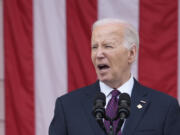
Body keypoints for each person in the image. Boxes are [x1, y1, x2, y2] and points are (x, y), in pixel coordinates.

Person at [49, 18, 180, 135]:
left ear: (131, 53)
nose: (99, 54)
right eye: (94, 47)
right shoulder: (67, 106)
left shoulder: (164, 107)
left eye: (108, 46)